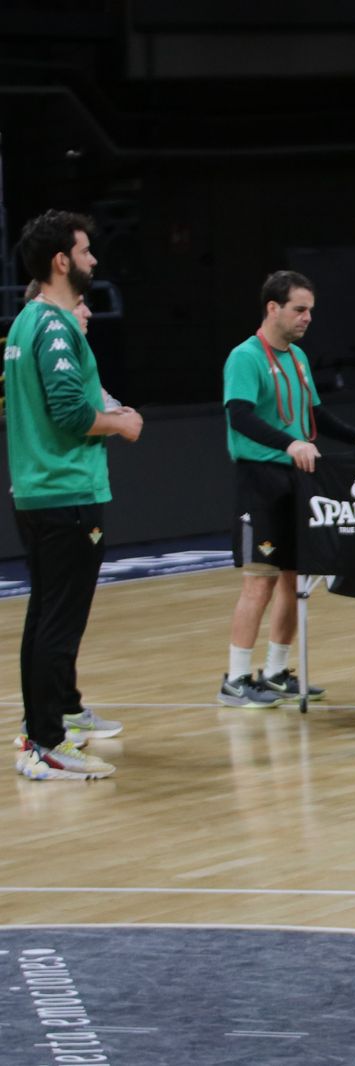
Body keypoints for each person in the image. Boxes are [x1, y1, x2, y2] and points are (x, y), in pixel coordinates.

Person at [9, 210, 142, 780]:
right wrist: (121, 424)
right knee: (58, 623)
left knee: (45, 618)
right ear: (61, 260)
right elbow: (67, 413)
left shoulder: (23, 321)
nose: (93, 261)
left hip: (39, 492)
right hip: (65, 491)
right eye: (86, 251)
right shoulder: (55, 326)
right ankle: (44, 744)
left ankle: (49, 728)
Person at [218, 271, 355, 708]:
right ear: (273, 308)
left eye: (310, 309)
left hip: (299, 478)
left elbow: (316, 415)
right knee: (259, 579)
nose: (307, 317)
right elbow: (239, 415)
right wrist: (289, 442)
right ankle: (235, 678)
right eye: (299, 309)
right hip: (260, 478)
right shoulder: (245, 357)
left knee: (295, 579)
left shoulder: (297, 358)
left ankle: (275, 670)